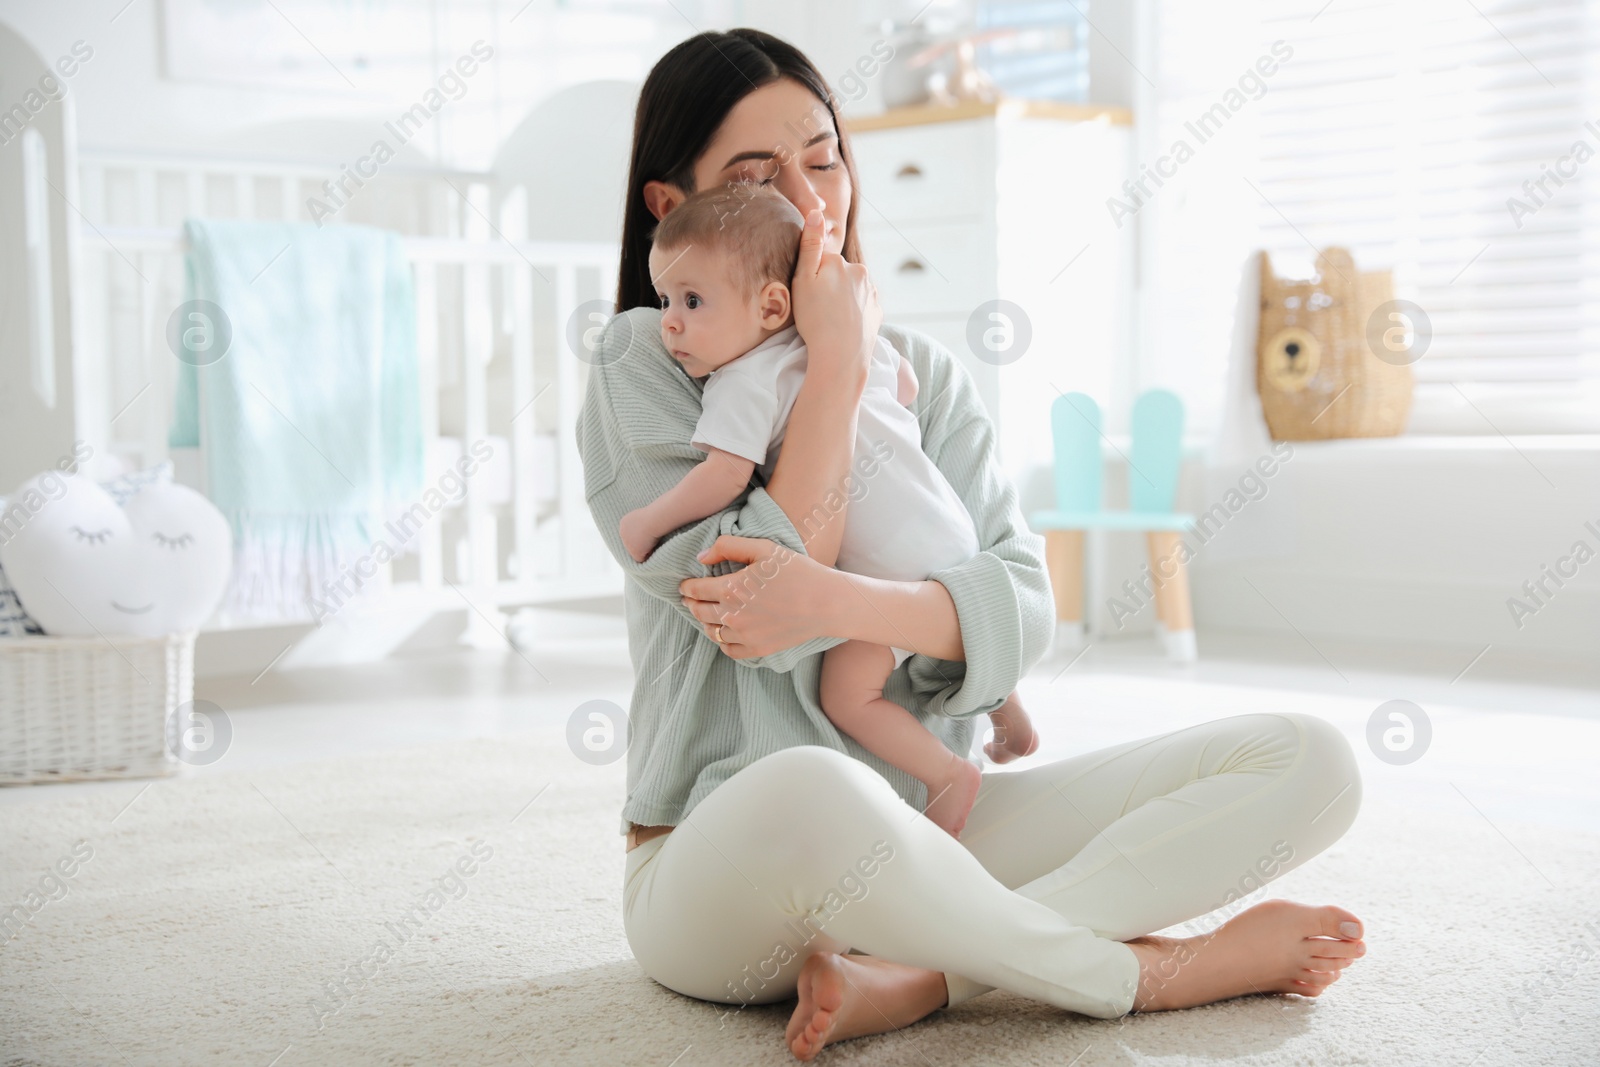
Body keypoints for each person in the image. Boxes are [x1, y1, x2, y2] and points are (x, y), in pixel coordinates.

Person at [576, 28, 1366, 1063]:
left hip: (927, 836)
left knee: (1309, 758)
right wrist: (833, 367)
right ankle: (1149, 974)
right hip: (729, 862)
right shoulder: (644, 356)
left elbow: (1021, 603)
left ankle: (921, 974)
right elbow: (758, 623)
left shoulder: (927, 375)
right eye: (758, 178)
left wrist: (850, 604)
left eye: (824, 160)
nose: (813, 206)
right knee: (820, 781)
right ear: (672, 208)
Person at [617, 184, 1038, 838]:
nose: (669, 320)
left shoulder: (745, 378)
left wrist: (648, 520)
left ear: (772, 303)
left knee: (847, 696)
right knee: (959, 627)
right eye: (667, 300)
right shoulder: (862, 342)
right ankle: (1009, 709)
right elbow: (907, 388)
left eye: (693, 301)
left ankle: (949, 773)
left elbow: (723, 475)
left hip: (880, 565)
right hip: (948, 531)